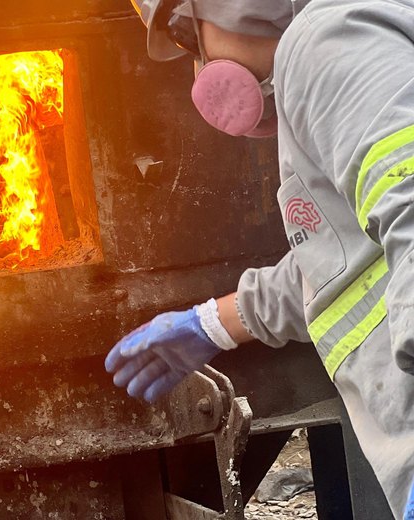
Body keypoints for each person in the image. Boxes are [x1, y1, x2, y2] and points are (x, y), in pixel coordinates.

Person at [103, 0, 414, 517]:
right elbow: (341, 259)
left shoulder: (324, 41)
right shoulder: (329, 50)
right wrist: (210, 325)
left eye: (188, 39)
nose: (199, 69)